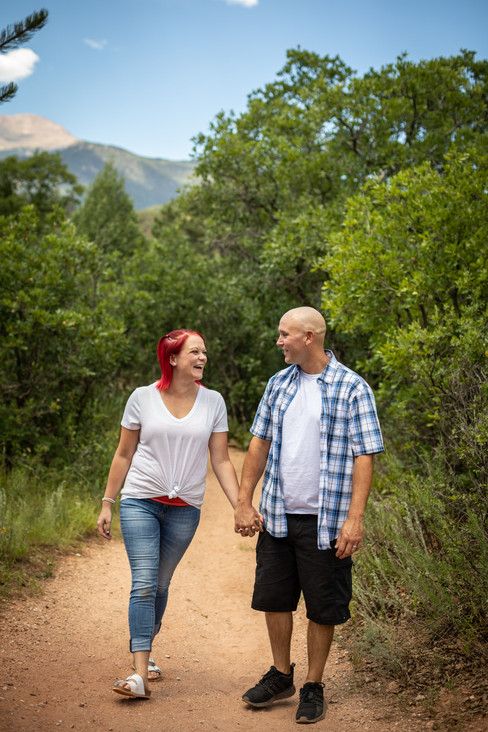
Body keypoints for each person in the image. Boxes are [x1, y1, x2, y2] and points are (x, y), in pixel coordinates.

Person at [234, 306, 384, 724]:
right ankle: (281, 674)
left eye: (285, 334)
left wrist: (355, 519)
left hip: (328, 520)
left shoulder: (352, 387)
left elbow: (364, 455)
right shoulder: (279, 384)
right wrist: (244, 501)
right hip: (279, 516)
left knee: (323, 607)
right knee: (274, 599)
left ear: (310, 337)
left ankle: (314, 685)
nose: (279, 341)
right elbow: (258, 444)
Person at [97, 329, 239, 699]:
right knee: (143, 582)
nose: (203, 357)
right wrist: (107, 502)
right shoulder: (142, 397)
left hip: (185, 510)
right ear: (173, 358)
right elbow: (124, 454)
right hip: (141, 500)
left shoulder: (214, 402)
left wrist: (241, 503)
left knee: (160, 585)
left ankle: (147, 652)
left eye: (205, 351)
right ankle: (139, 675)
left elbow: (221, 459)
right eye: (195, 351)